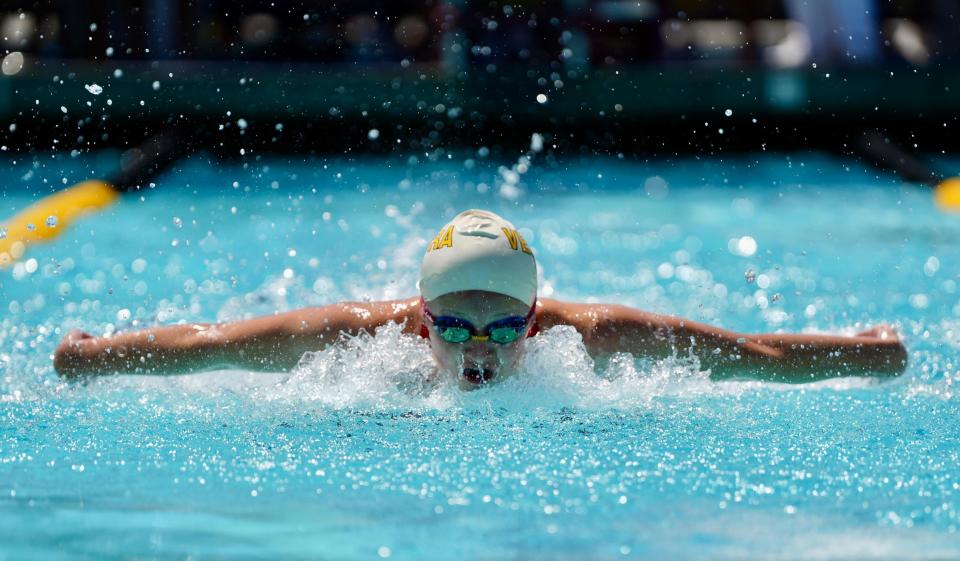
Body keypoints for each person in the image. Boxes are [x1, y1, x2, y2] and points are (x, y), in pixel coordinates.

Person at [54, 209, 907, 387]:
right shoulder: (356, 338)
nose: (478, 350)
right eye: (453, 325)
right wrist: (96, 356)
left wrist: (868, 352)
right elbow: (214, 342)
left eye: (503, 327)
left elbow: (749, 352)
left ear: (535, 317)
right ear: (419, 316)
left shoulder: (597, 337)